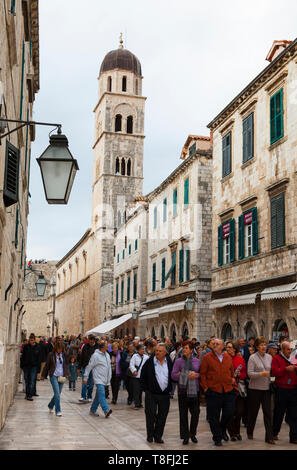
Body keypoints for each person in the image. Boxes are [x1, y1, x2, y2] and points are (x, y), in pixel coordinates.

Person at [200, 338, 237, 447]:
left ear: (222, 346)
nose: (215, 345)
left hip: (228, 389)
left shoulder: (227, 357)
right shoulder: (207, 357)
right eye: (214, 344)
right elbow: (202, 374)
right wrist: (206, 388)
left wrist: (232, 381)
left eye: (217, 344)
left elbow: (231, 371)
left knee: (229, 412)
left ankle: (222, 430)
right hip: (213, 391)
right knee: (213, 416)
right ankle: (217, 437)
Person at [140, 343, 173, 443]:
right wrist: (146, 389)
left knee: (162, 416)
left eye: (160, 351)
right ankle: (150, 435)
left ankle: (158, 436)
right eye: (156, 351)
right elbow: (143, 375)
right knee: (150, 415)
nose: (157, 353)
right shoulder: (150, 361)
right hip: (151, 394)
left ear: (165, 353)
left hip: (165, 394)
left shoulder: (169, 362)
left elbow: (172, 375)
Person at [171, 340, 200, 445]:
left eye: (186, 348)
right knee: (183, 415)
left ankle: (193, 433)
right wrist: (185, 374)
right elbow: (173, 375)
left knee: (196, 414)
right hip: (183, 391)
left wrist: (197, 375)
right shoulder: (178, 361)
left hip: (194, 391)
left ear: (192, 350)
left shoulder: (197, 361)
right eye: (183, 348)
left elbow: (200, 373)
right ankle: (185, 436)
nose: (184, 349)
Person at [247, 336, 274, 444]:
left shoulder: (269, 357)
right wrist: (261, 374)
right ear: (257, 347)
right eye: (261, 345)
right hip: (254, 389)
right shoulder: (252, 358)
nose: (263, 346)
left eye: (264, 344)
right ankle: (250, 430)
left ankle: (269, 437)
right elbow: (250, 374)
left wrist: (273, 381)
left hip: (266, 389)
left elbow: (271, 374)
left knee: (268, 413)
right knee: (253, 413)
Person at [272, 341, 297, 444]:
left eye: (291, 349)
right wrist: (285, 369)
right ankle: (274, 433)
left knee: (294, 414)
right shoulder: (276, 358)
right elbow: (274, 372)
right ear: (282, 350)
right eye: (288, 349)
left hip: (294, 389)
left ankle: (294, 437)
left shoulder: (293, 358)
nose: (290, 351)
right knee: (279, 412)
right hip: (281, 389)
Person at [83, 341, 112, 418]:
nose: (108, 346)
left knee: (98, 395)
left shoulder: (107, 355)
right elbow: (89, 366)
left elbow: (109, 367)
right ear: (102, 347)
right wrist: (85, 377)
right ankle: (106, 410)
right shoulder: (95, 356)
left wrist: (109, 378)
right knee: (102, 394)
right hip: (98, 378)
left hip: (105, 379)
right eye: (107, 345)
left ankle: (92, 410)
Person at [225, 341, 247, 441]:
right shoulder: (224, 359)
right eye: (226, 347)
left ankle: (237, 431)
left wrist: (239, 375)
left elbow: (244, 373)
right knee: (230, 411)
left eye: (230, 347)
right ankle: (232, 433)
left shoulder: (240, 359)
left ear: (234, 348)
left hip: (239, 388)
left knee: (239, 411)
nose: (228, 349)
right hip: (229, 388)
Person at [41, 339, 69, 416]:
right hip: (53, 376)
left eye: (62, 348)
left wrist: (67, 373)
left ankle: (50, 405)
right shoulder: (51, 355)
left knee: (58, 394)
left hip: (62, 376)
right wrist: (43, 375)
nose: (60, 350)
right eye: (59, 348)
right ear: (56, 348)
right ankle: (58, 411)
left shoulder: (64, 354)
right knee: (57, 393)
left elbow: (66, 364)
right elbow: (47, 366)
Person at [20, 333, 42, 401]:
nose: (31, 341)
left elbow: (39, 359)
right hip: (26, 366)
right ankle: (27, 394)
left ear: (34, 340)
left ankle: (30, 395)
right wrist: (22, 366)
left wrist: (38, 369)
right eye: (30, 340)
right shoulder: (26, 347)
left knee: (32, 381)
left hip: (34, 367)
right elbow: (23, 357)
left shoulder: (37, 347)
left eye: (32, 340)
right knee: (27, 380)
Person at [78, 335, 97, 402]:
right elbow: (81, 357)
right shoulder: (85, 346)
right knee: (84, 382)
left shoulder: (97, 347)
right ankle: (83, 396)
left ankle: (89, 396)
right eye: (90, 341)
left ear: (94, 341)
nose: (91, 343)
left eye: (92, 342)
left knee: (91, 383)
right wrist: (79, 367)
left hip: (93, 368)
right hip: (85, 366)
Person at [129, 344, 149, 409]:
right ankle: (136, 404)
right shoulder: (134, 356)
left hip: (143, 377)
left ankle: (140, 403)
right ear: (138, 350)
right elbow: (131, 364)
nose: (143, 350)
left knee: (140, 390)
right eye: (142, 349)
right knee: (136, 390)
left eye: (143, 349)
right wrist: (134, 371)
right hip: (136, 376)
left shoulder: (146, 357)